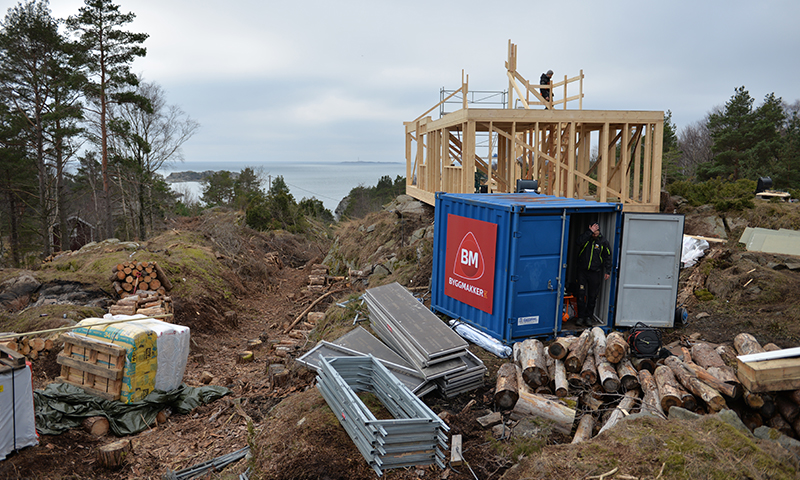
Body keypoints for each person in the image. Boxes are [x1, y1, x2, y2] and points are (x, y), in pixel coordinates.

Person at [575, 222, 612, 327]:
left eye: (596, 232)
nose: (595, 235)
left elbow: (608, 256)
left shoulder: (603, 242)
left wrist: (608, 271)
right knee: (581, 294)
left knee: (592, 296)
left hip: (595, 272)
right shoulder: (586, 239)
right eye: (593, 232)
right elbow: (578, 242)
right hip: (582, 271)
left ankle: (588, 317)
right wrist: (589, 232)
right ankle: (580, 317)